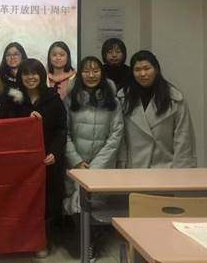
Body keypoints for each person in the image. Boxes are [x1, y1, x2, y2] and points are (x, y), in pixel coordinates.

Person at [62, 56, 124, 262]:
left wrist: (96, 166)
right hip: (76, 164)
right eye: (86, 71)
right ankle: (85, 242)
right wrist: (76, 161)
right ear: (79, 74)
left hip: (101, 165)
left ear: (102, 73)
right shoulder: (70, 100)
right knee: (75, 204)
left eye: (95, 70)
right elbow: (64, 133)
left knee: (95, 205)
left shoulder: (113, 102)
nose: (91, 75)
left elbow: (116, 135)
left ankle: (92, 241)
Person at [16, 59, 66, 258]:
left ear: (42, 75)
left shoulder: (53, 98)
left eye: (34, 73)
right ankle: (23, 240)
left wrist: (55, 152)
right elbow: (7, 128)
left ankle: (42, 240)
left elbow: (61, 129)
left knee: (47, 203)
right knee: (23, 201)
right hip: (22, 164)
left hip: (48, 161)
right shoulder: (14, 100)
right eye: (26, 74)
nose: (30, 77)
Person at [118, 50, 197, 168]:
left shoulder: (174, 98)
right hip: (133, 167)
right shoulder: (124, 98)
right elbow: (120, 137)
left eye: (147, 68)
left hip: (165, 167)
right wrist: (121, 164)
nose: (142, 73)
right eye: (137, 70)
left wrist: (181, 171)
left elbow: (183, 137)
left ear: (156, 69)